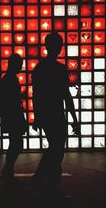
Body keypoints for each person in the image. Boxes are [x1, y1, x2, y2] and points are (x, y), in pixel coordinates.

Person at [30, 31, 80, 197]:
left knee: (54, 148)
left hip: (46, 115)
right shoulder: (59, 69)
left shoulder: (39, 69)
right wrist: (74, 119)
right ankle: (50, 184)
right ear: (59, 48)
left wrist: (37, 117)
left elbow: (36, 96)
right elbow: (67, 96)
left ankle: (42, 180)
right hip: (57, 115)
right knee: (57, 150)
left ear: (46, 46)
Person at [0, 53, 28, 186]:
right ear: (14, 65)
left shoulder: (7, 78)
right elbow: (13, 101)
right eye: (20, 64)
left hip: (10, 116)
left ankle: (8, 173)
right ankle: (8, 173)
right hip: (13, 116)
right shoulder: (11, 79)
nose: (22, 66)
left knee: (14, 144)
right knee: (16, 145)